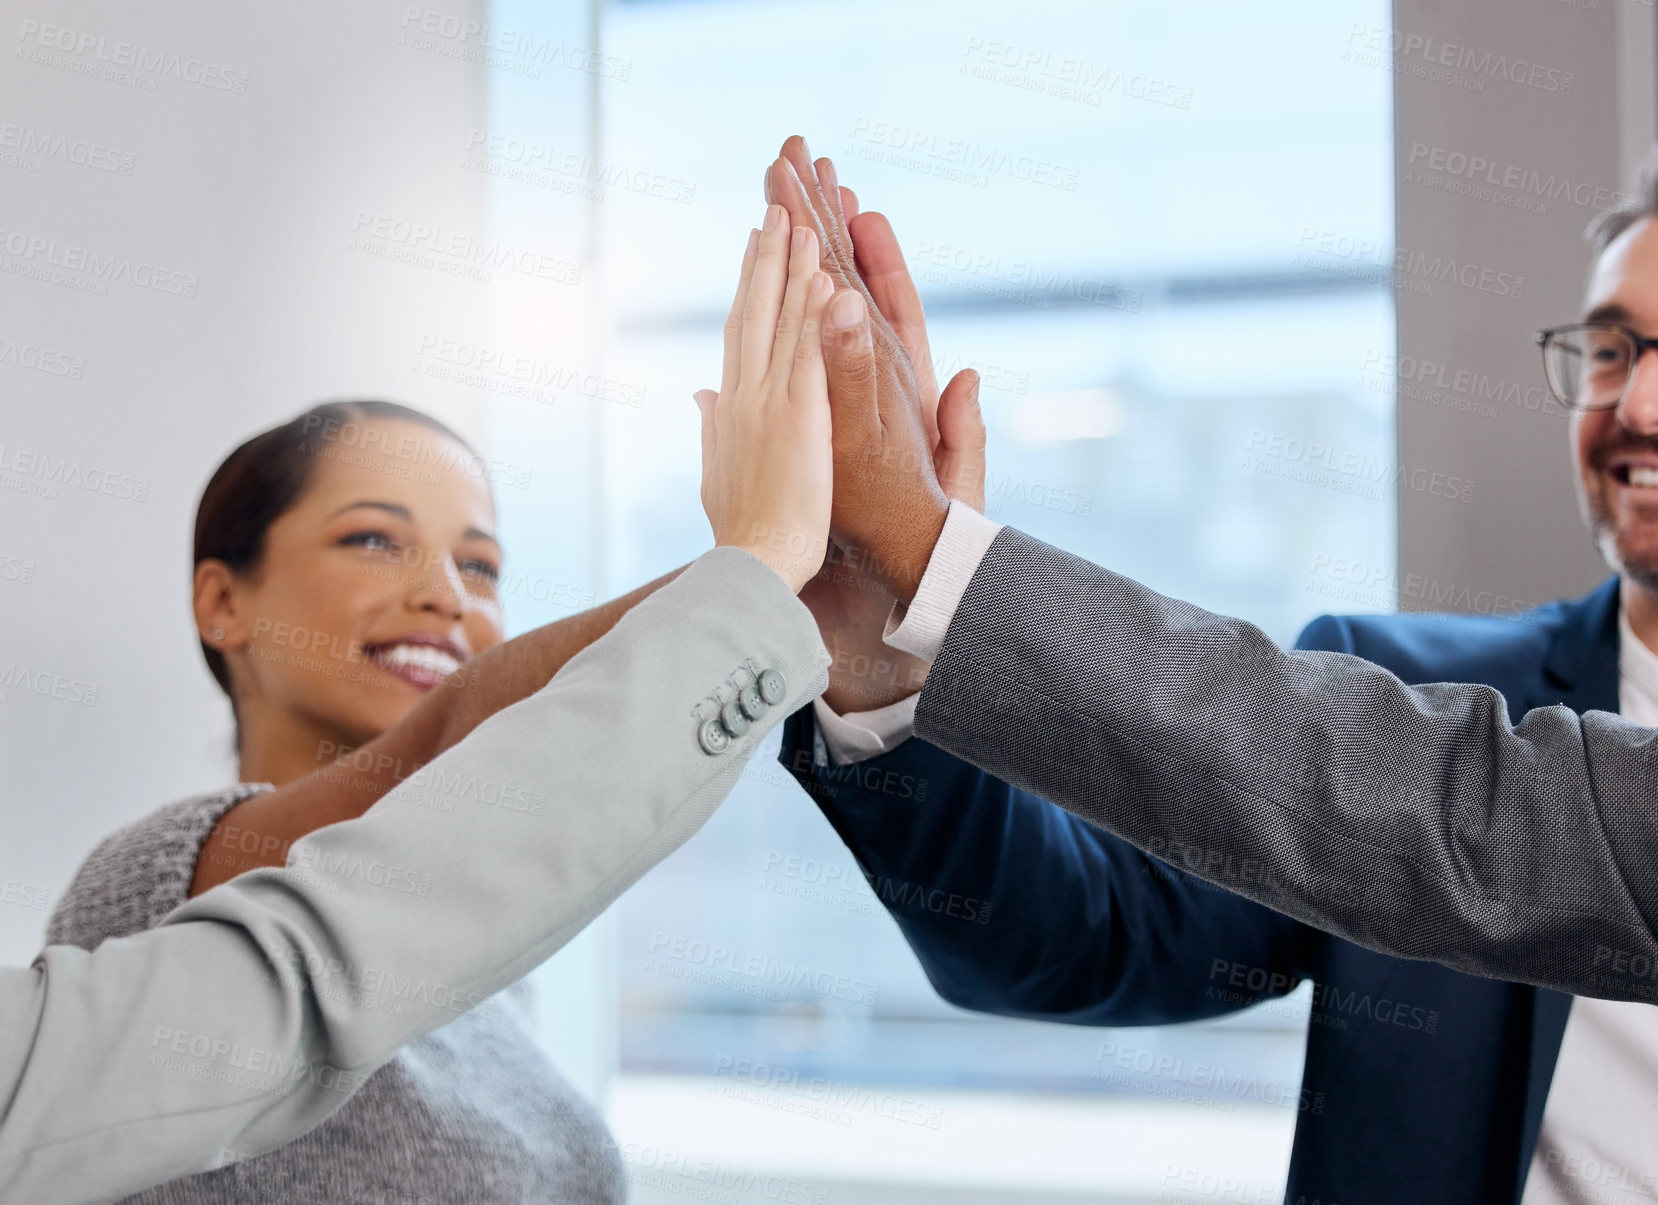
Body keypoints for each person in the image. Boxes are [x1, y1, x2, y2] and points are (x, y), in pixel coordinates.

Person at [1, 203, 844, 1204]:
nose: (445, 591)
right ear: (223, 600)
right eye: (372, 538)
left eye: (479, 563)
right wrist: (768, 563)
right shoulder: (155, 883)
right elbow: (462, 734)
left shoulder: (491, 982)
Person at [765, 133, 1658, 1002]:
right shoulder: (1405, 685)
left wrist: (930, 553)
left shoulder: (1500, 788)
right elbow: (1082, 938)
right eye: (1615, 350)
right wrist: (880, 657)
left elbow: (1491, 825)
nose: (1640, 407)